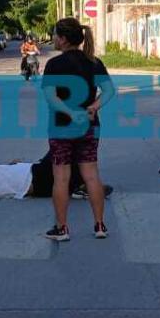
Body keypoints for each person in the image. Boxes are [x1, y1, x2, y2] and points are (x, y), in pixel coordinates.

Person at [40, 17, 114, 241]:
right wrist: (93, 106)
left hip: (61, 128)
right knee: (91, 175)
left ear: (63, 39)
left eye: (55, 35)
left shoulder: (54, 65)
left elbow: (51, 98)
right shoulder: (94, 62)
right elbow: (109, 90)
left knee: (61, 178)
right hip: (90, 126)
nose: (53, 39)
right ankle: (100, 226)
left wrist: (70, 113)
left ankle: (62, 229)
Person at [0, 148, 113, 200]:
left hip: (35, 177)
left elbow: (3, 177)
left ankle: (80, 187)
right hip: (35, 178)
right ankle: (85, 186)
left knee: (61, 160)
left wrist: (11, 165)